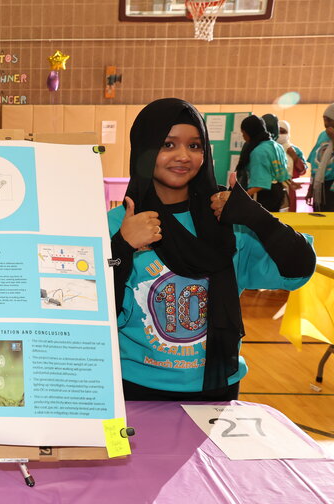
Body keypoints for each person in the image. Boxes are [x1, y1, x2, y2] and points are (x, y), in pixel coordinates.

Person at [108, 98, 315, 401]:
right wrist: (122, 247)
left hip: (216, 385)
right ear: (144, 149)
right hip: (134, 386)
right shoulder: (118, 224)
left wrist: (258, 218)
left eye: (194, 146)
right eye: (168, 145)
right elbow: (89, 307)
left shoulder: (229, 219)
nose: (183, 156)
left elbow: (298, 269)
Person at [235, 115, 291, 212]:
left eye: (244, 133)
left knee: (260, 225)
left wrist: (242, 197)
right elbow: (282, 173)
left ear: (251, 132)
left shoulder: (258, 151)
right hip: (278, 192)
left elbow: (260, 184)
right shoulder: (276, 146)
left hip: (264, 195)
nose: (243, 137)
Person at [305, 104, 334, 211]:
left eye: (329, 120)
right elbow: (315, 163)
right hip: (320, 184)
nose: (326, 124)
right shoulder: (322, 136)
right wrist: (311, 189)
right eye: (324, 119)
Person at [277, 120, 306, 211]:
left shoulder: (295, 150)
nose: (280, 134)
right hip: (273, 186)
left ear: (288, 133)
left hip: (289, 186)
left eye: (283, 132)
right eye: (278, 131)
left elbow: (303, 170)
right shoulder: (270, 148)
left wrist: (294, 156)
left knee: (288, 213)